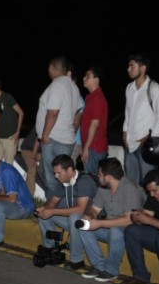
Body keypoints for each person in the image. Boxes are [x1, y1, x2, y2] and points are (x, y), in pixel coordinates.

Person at [78, 157, 145, 282]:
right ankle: (98, 266)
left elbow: (128, 220)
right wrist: (89, 216)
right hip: (109, 228)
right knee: (83, 227)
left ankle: (111, 270)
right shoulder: (103, 188)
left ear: (108, 177)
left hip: (127, 233)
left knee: (116, 231)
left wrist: (100, 223)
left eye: (100, 174)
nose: (98, 176)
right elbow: (95, 209)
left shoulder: (129, 188)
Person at [35, 154, 98, 270]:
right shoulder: (63, 182)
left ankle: (77, 259)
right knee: (44, 214)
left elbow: (80, 209)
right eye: (54, 173)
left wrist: (52, 211)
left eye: (59, 173)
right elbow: (52, 202)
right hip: (72, 221)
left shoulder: (84, 181)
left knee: (74, 217)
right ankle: (50, 249)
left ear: (70, 170)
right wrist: (44, 209)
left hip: (88, 222)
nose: (56, 176)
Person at [35, 55, 81, 199]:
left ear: (52, 67)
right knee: (61, 178)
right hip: (66, 138)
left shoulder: (57, 84)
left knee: (52, 178)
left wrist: (45, 134)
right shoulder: (74, 87)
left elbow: (53, 112)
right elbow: (77, 112)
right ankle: (61, 208)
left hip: (53, 139)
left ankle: (54, 210)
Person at [123, 53, 159, 185]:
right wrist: (125, 131)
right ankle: (133, 206)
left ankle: (148, 206)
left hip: (145, 146)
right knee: (131, 184)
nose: (128, 69)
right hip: (130, 144)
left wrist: (151, 137)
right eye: (128, 66)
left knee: (148, 183)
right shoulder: (129, 88)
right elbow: (128, 112)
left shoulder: (154, 88)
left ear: (143, 68)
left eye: (132, 66)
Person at [80, 66, 109, 175]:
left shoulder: (97, 98)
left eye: (88, 76)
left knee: (93, 181)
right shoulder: (91, 98)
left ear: (96, 80)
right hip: (92, 147)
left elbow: (94, 125)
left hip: (94, 148)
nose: (84, 78)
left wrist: (86, 148)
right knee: (93, 180)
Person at [0, 78, 24, 164]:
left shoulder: (7, 97)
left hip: (10, 138)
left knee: (8, 165)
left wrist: (18, 132)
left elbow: (21, 113)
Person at [19, 127, 42, 197]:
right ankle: (28, 195)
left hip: (40, 152)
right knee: (32, 168)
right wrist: (33, 157)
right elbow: (38, 140)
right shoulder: (43, 123)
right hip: (28, 149)